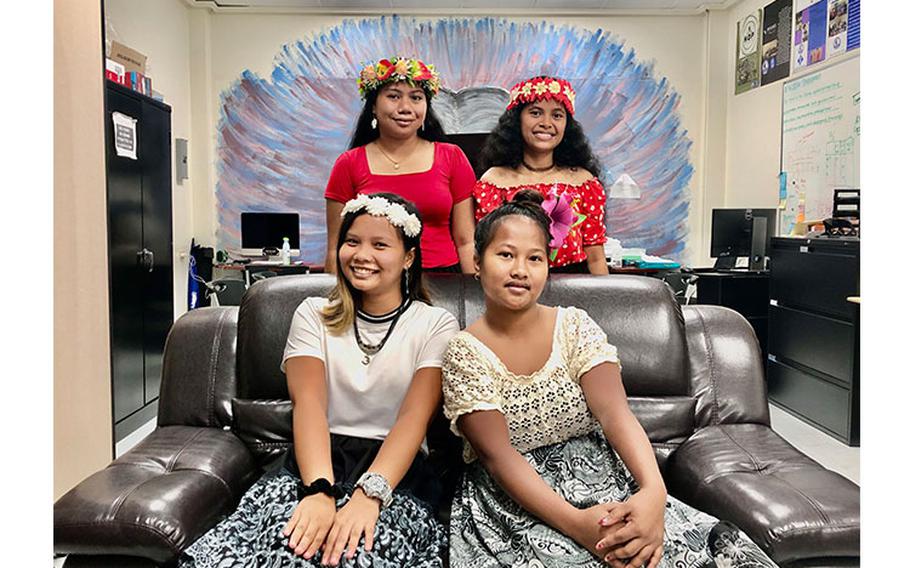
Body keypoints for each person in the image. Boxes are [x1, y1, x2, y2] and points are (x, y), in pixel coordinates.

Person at [441, 190, 778, 568]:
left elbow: (616, 414)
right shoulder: (464, 351)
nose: (520, 269)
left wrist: (652, 493)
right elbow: (498, 457)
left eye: (534, 258)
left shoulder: (574, 327)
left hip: (606, 478)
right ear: (477, 260)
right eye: (505, 254)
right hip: (515, 504)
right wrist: (579, 526)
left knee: (712, 553)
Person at [179, 193, 459, 567]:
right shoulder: (313, 314)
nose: (361, 255)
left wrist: (368, 496)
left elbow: (413, 418)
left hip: (394, 472)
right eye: (352, 241)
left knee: (356, 555)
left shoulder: (435, 324)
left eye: (380, 245)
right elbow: (309, 404)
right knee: (286, 550)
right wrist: (319, 490)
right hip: (315, 462)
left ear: (408, 257)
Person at [324, 57, 476, 274]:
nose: (405, 107)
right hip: (372, 281)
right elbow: (335, 248)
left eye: (416, 98)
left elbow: (466, 241)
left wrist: (471, 296)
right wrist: (336, 302)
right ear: (374, 107)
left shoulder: (452, 157)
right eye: (394, 97)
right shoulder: (349, 163)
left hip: (443, 281)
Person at [474, 76, 610, 274]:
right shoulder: (493, 182)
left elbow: (596, 257)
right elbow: (487, 251)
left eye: (557, 115)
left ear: (567, 125)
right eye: (536, 113)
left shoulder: (584, 183)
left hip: (575, 287)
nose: (546, 123)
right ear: (516, 120)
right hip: (513, 283)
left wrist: (604, 300)